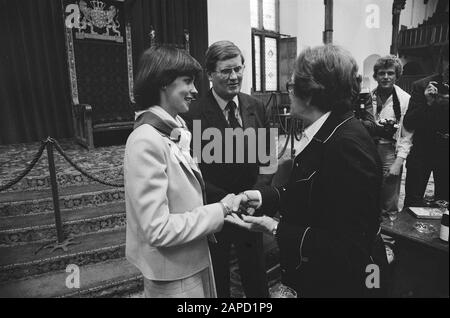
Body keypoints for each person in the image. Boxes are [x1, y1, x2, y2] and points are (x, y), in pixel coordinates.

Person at [227, 45, 389, 298]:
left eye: (292, 87)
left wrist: (275, 228)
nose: (289, 94)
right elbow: (310, 191)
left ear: (311, 94)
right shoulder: (328, 131)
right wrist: (260, 197)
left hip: (347, 284)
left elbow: (348, 246)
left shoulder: (346, 146)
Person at [124, 46, 237, 298]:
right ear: (164, 83)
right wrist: (221, 210)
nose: (195, 90)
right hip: (174, 275)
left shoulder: (173, 130)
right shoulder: (146, 140)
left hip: (190, 262)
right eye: (187, 82)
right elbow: (157, 229)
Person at [183, 41, 272, 298]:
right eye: (225, 71)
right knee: (218, 278)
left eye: (238, 69)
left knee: (255, 274)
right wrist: (227, 202)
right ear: (210, 74)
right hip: (215, 209)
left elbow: (268, 161)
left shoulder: (256, 106)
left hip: (251, 207)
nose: (234, 77)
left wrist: (256, 194)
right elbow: (193, 172)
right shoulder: (193, 114)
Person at [359, 55, 412, 219]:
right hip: (367, 149)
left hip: (389, 150)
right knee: (367, 191)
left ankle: (389, 238)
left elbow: (407, 135)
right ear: (375, 76)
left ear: (397, 75)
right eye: (382, 73)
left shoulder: (405, 99)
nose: (386, 77)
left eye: (390, 73)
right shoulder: (367, 96)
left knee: (389, 196)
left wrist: (399, 161)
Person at [403, 43, 449, 207]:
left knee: (444, 204)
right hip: (422, 152)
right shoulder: (422, 86)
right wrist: (427, 103)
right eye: (448, 60)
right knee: (412, 202)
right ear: (442, 61)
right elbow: (408, 123)